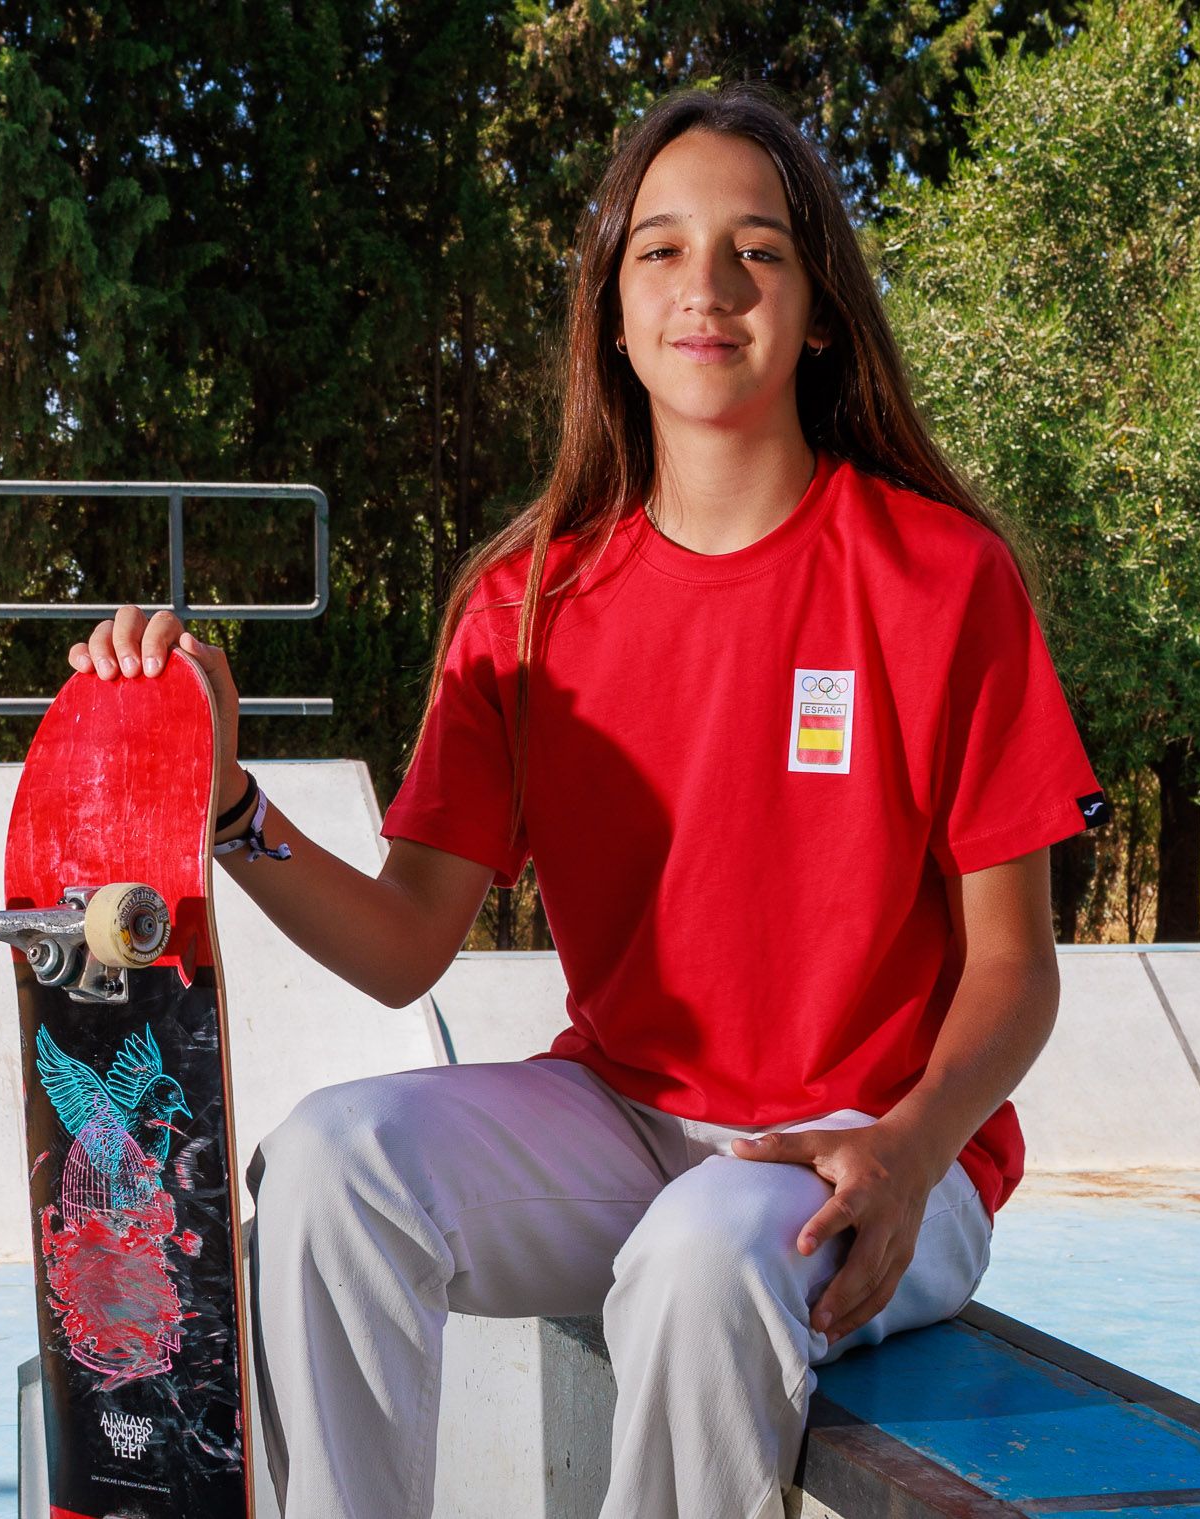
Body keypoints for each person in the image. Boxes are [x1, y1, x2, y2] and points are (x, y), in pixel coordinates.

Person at [68, 82, 1104, 1519]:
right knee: (324, 1171)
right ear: (612, 314)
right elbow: (401, 944)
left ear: (817, 313)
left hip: (872, 1158)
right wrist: (227, 798)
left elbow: (1017, 969)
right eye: (661, 251)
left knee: (703, 1252)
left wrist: (914, 1146)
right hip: (620, 1123)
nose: (709, 286)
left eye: (759, 250)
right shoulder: (529, 605)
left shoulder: (939, 580)